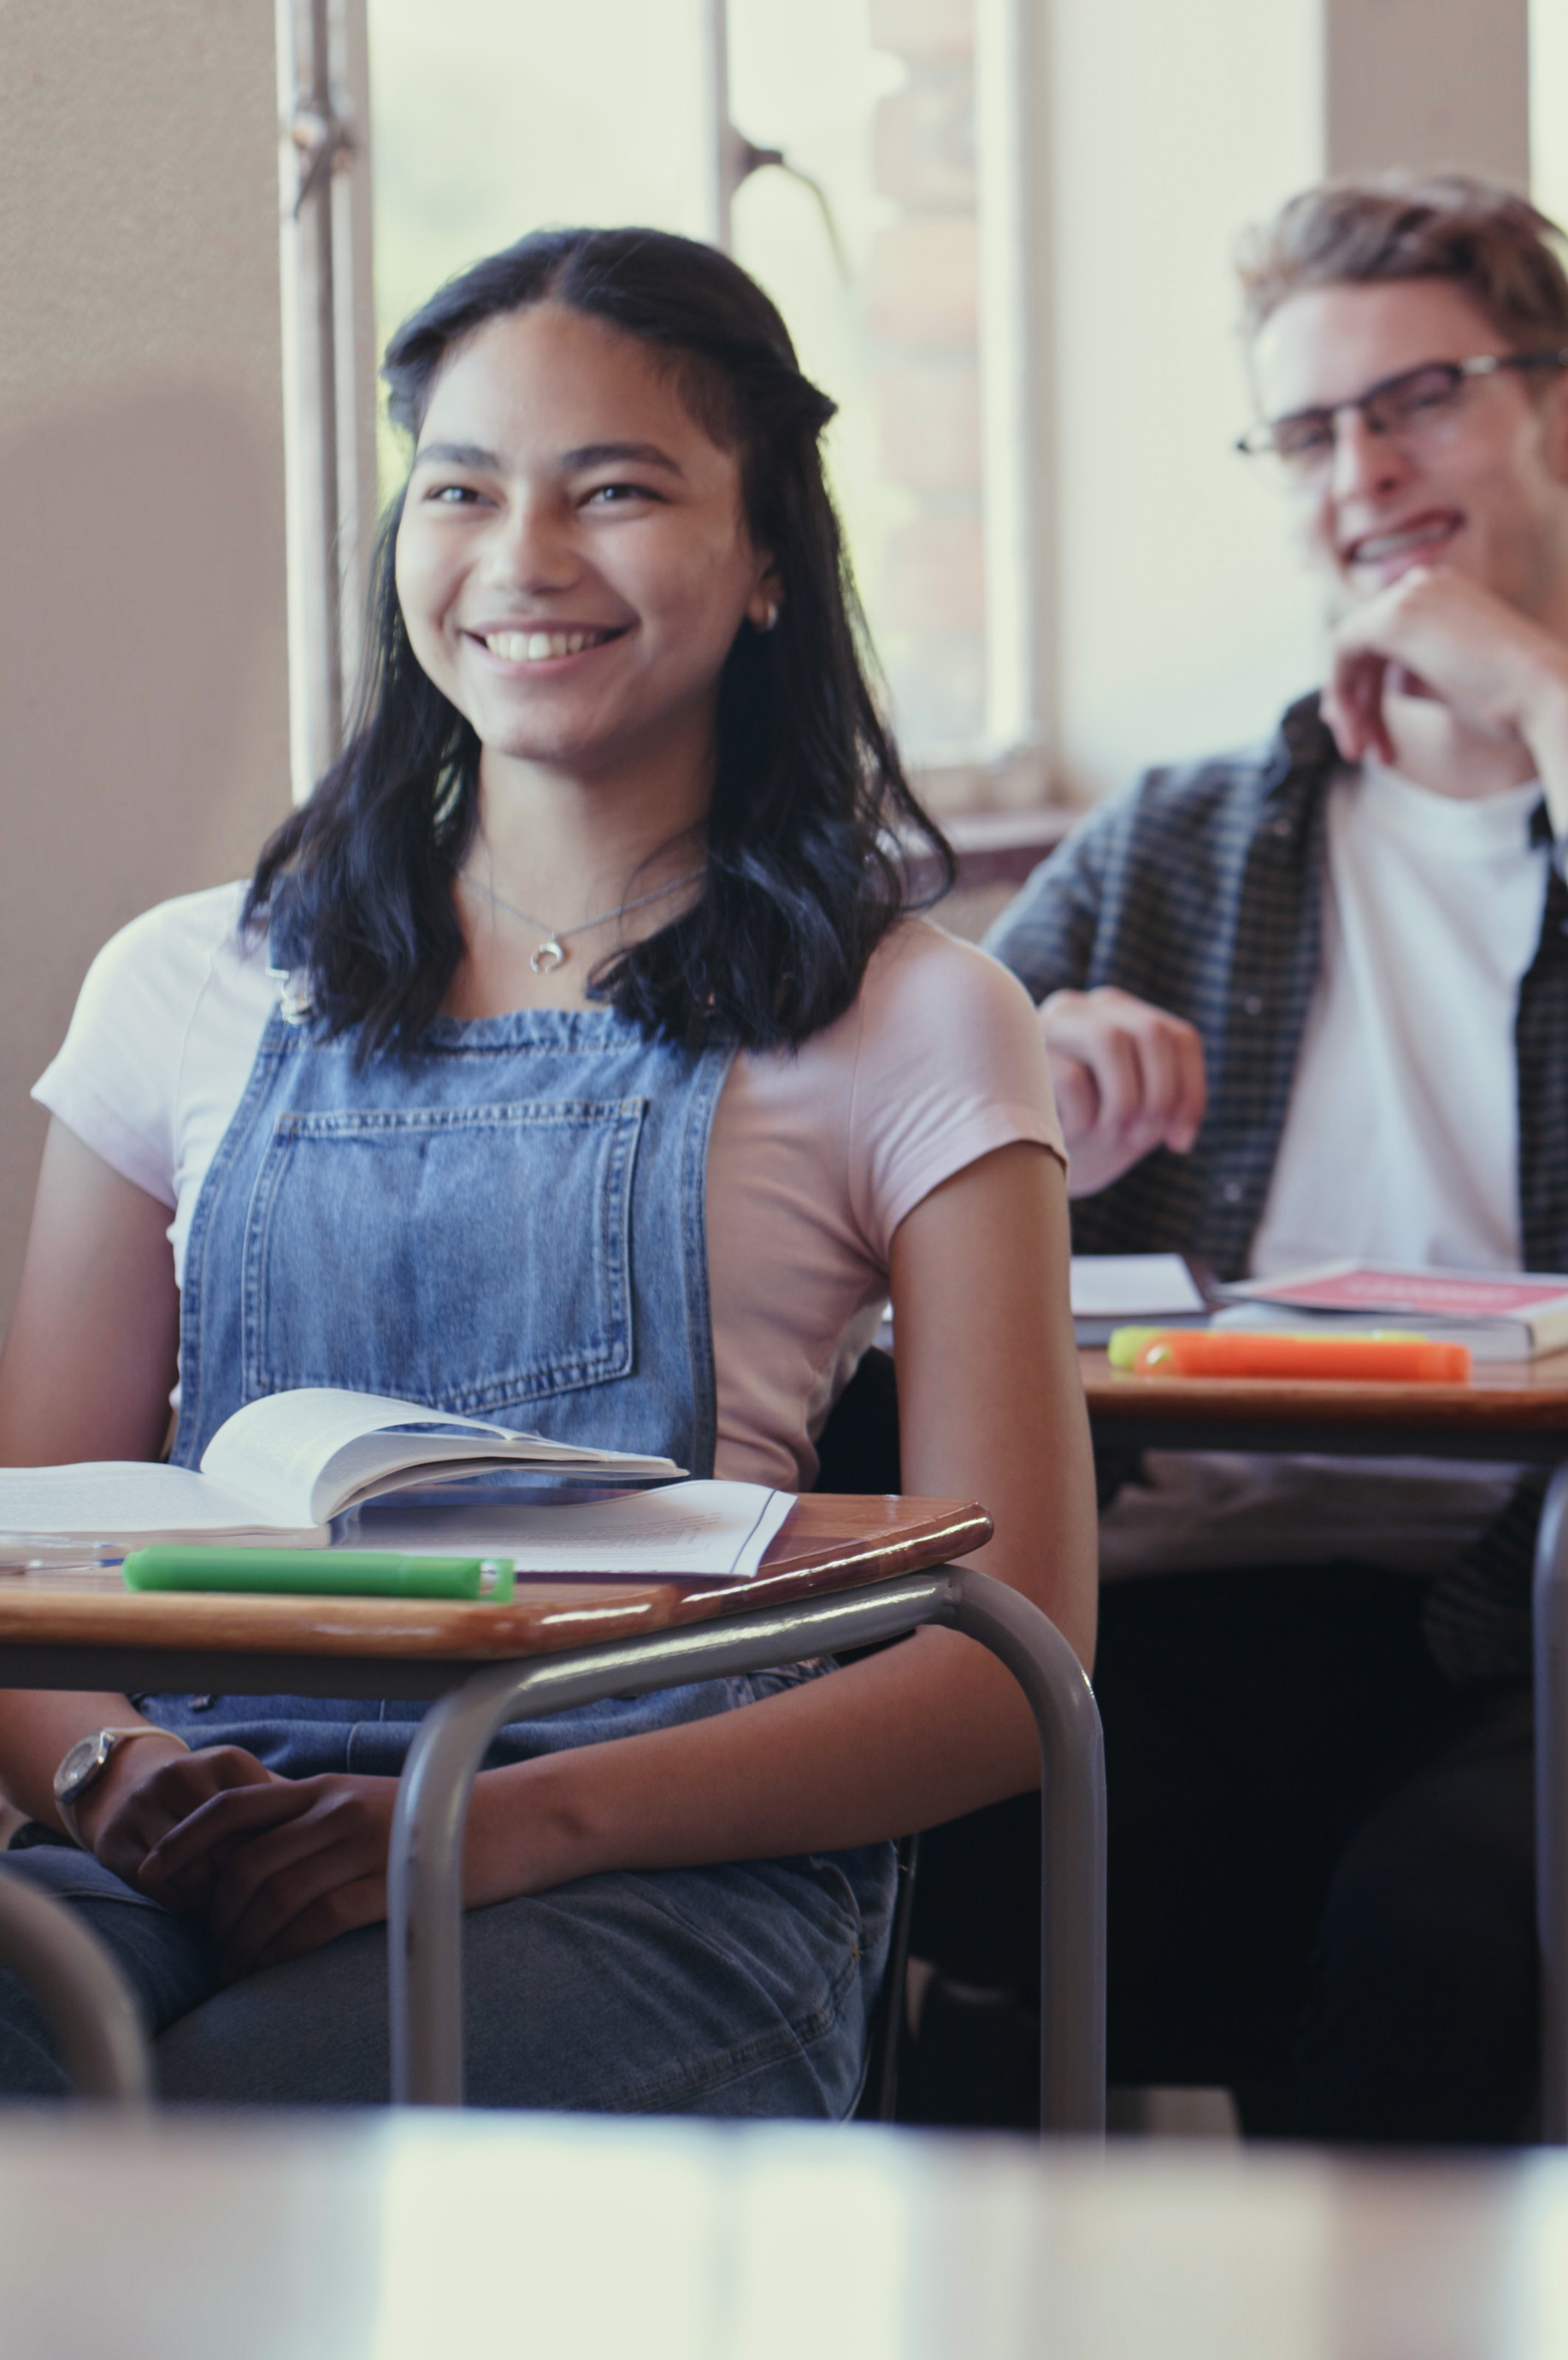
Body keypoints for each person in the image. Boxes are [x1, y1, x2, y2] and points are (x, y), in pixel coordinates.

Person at [0, 228, 1092, 2111]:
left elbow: (1018, 1661)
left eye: (617, 491)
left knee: (266, 2120)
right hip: (179, 1830)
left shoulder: (920, 1017)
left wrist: (498, 1829)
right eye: (463, 490)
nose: (524, 558)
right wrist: (113, 1774)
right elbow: (28, 1550)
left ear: (765, 562)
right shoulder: (186, 980)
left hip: (660, 1868)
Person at [971, 172, 1568, 2140]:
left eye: (1415, 402)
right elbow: (847, 1178)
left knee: (1442, 1923)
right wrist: (1013, 1074)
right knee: (900, 1850)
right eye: (1310, 432)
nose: (1361, 472)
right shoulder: (1173, 846)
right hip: (1187, 1609)